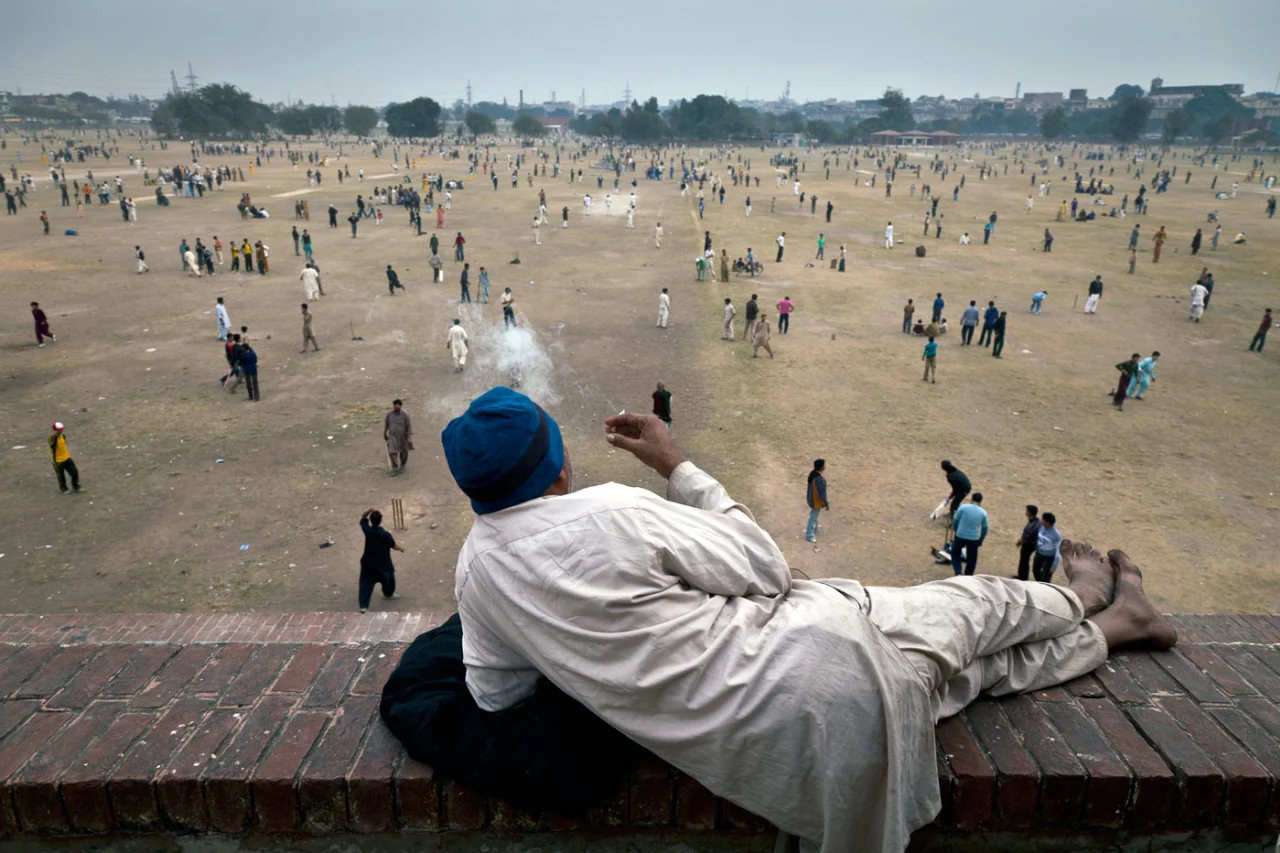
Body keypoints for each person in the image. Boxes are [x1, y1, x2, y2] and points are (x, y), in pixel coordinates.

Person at [438, 388, 1176, 853]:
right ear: (559, 469)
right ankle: (1085, 600)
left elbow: (497, 695)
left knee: (972, 670)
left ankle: (1116, 626)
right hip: (817, 652)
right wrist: (676, 467)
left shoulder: (476, 572)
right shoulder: (610, 511)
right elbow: (763, 565)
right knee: (973, 608)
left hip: (777, 745)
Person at [358, 508, 402, 613]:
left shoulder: (368, 531)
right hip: (383, 564)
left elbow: (363, 517)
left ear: (371, 520)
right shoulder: (385, 534)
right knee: (389, 580)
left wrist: (368, 510)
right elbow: (393, 546)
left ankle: (363, 606)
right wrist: (401, 549)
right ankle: (388, 594)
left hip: (368, 563)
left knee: (365, 584)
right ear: (380, 520)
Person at [950, 493, 988, 577]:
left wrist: (957, 531)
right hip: (974, 538)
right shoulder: (983, 513)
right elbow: (985, 528)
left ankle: (958, 572)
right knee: (972, 558)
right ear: (980, 501)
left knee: (955, 553)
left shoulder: (963, 507)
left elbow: (955, 520)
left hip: (960, 535)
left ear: (971, 499)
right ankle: (968, 576)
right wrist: (981, 540)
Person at [48, 422, 84, 493]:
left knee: (74, 472)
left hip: (66, 457)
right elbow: (52, 445)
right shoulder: (51, 438)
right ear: (55, 430)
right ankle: (64, 488)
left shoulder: (63, 436)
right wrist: (55, 436)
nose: (61, 431)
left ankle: (75, 486)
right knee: (61, 476)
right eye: (59, 430)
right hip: (58, 461)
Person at [384, 399, 414, 475]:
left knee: (404, 452)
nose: (396, 406)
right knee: (392, 452)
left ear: (400, 406)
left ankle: (402, 466)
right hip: (392, 437)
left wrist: (409, 438)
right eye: (395, 405)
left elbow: (409, 426)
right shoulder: (389, 415)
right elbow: (386, 424)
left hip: (403, 437)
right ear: (393, 405)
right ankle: (395, 467)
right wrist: (384, 433)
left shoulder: (404, 415)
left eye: (398, 405)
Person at [1014, 505, 1042, 581]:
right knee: (1024, 559)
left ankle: (1022, 576)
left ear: (1030, 512)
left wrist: (1019, 542)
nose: (1025, 512)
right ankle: (1022, 575)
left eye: (1027, 510)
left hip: (1029, 545)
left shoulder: (1032, 525)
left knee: (1024, 560)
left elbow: (1026, 537)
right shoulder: (1037, 522)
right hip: (1032, 543)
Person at [1033, 513, 1062, 582]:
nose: (1041, 520)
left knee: (1045, 578)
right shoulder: (1041, 527)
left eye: (1042, 519)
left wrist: (1054, 566)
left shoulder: (1056, 535)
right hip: (1039, 555)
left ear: (1047, 522)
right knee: (1035, 571)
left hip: (1048, 559)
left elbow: (1058, 552)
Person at [806, 459, 827, 544]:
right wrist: (826, 503)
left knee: (815, 515)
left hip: (811, 498)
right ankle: (809, 535)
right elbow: (821, 493)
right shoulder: (818, 479)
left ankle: (815, 528)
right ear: (821, 467)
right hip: (816, 501)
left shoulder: (813, 474)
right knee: (813, 516)